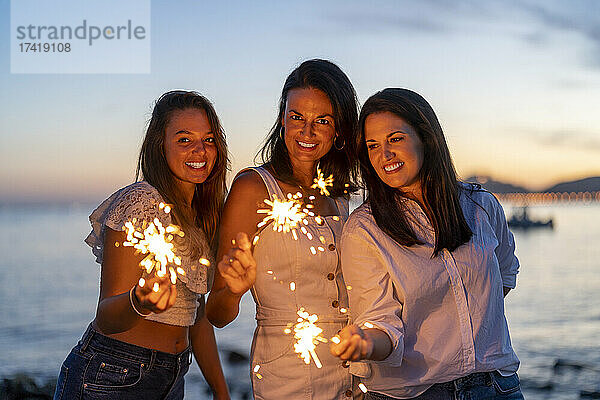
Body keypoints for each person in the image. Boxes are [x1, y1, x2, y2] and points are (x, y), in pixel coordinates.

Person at [330, 88, 524, 400]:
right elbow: (381, 322)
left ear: (425, 137)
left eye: (395, 138)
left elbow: (503, 277)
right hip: (415, 393)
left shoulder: (482, 206)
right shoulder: (364, 229)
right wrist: (365, 342)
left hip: (496, 387)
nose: (384, 154)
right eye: (372, 145)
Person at [54, 91, 230, 400]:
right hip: (112, 374)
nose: (200, 150)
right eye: (185, 140)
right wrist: (140, 300)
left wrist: (221, 390)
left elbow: (196, 317)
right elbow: (107, 316)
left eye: (209, 139)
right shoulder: (141, 203)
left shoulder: (203, 218)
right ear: (160, 146)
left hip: (173, 378)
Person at [206, 59, 359, 399]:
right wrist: (233, 290)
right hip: (288, 376)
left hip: (353, 374)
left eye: (322, 120)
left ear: (339, 130)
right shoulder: (253, 188)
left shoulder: (340, 196)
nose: (307, 131)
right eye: (296, 118)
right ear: (281, 120)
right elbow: (215, 313)